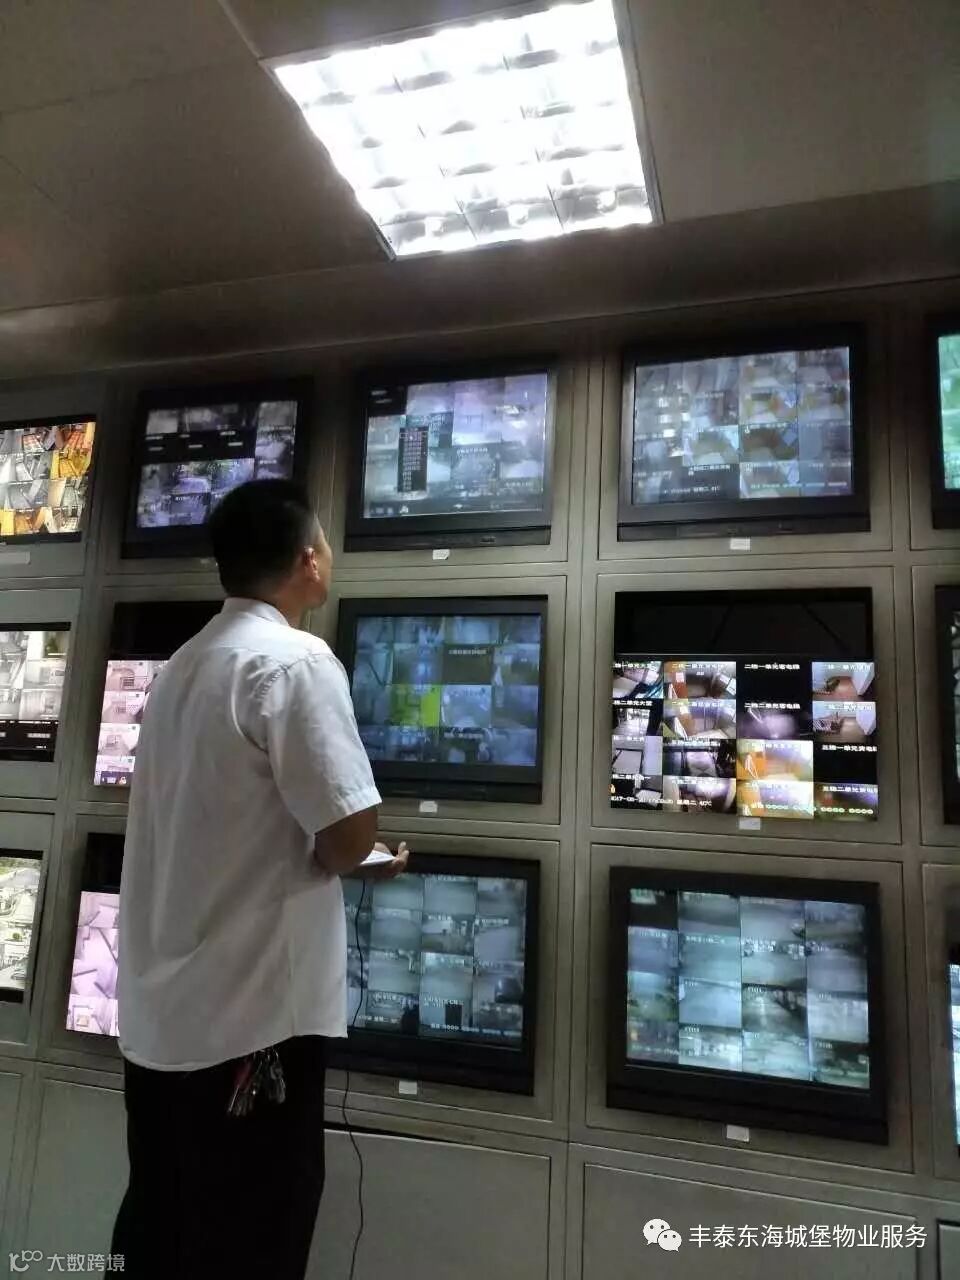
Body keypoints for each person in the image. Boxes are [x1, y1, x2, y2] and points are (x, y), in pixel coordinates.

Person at [112, 479, 408, 1279]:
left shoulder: (183, 666)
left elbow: (217, 828)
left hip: (163, 1025)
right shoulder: (294, 662)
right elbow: (348, 836)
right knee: (251, 1243)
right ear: (309, 559)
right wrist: (359, 856)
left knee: (160, 1235)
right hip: (251, 1034)